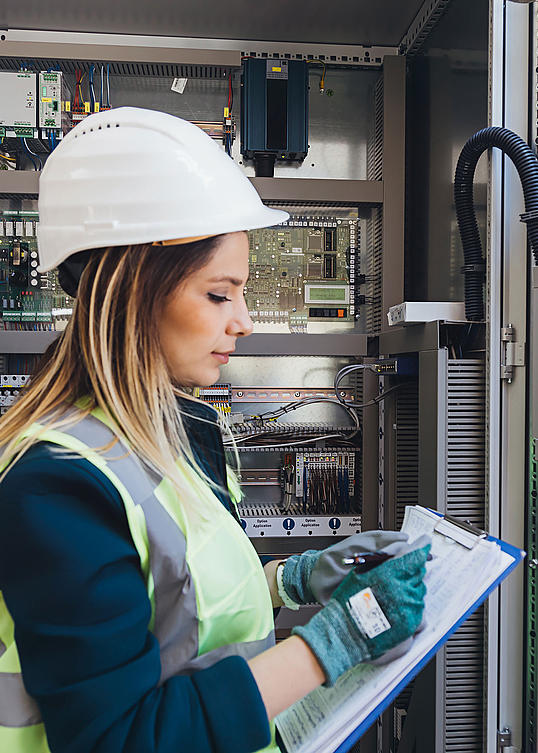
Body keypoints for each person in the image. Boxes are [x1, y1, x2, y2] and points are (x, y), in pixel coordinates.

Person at [0, 107, 430, 753]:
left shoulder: (167, 439)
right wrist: (334, 640)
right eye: (219, 293)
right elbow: (119, 737)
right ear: (136, 292)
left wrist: (296, 577)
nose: (245, 321)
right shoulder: (57, 487)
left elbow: (177, 608)